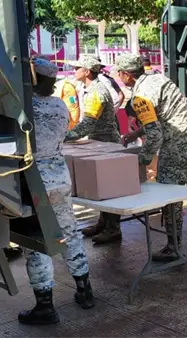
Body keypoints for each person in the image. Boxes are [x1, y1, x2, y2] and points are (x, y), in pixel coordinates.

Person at [115, 53, 187, 263]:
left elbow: (156, 134)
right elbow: (162, 117)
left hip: (178, 147)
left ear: (126, 75)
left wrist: (141, 159)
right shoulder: (159, 78)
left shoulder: (140, 95)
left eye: (118, 73)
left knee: (169, 197)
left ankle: (173, 247)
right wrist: (135, 134)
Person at [19, 57, 93, 325]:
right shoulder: (60, 105)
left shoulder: (25, 108)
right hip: (60, 177)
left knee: (38, 242)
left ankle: (45, 307)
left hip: (34, 181)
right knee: (70, 233)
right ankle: (85, 291)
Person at [65, 54, 124, 245]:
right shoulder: (90, 89)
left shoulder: (97, 92)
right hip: (100, 143)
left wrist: (65, 137)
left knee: (109, 189)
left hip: (106, 145)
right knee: (102, 188)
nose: (74, 71)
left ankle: (113, 229)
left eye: (77, 68)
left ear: (87, 71)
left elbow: (89, 123)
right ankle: (103, 223)